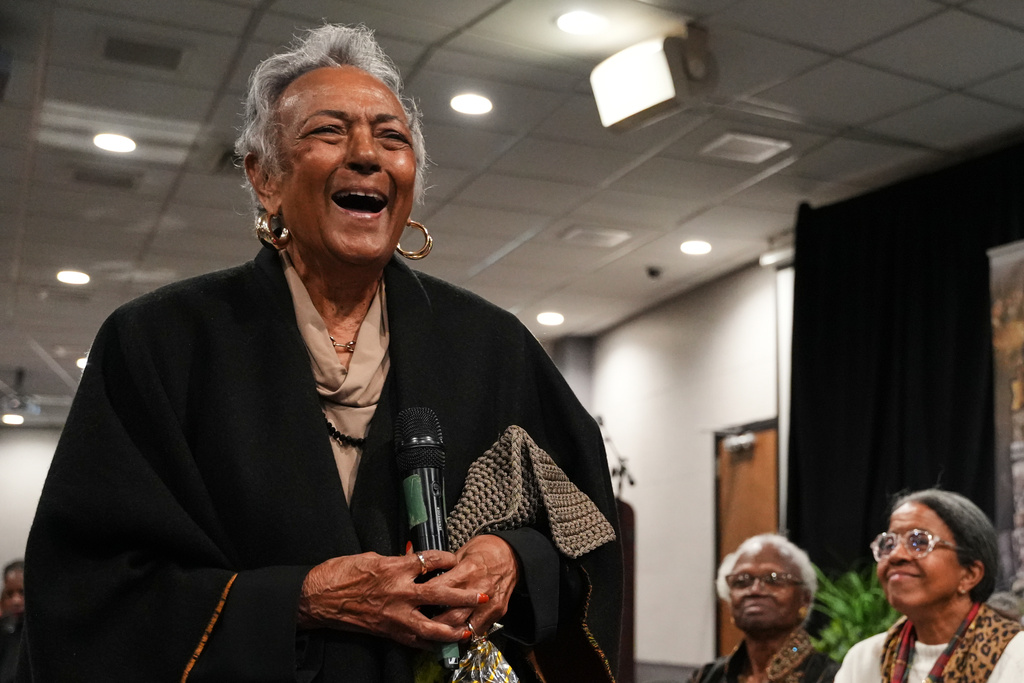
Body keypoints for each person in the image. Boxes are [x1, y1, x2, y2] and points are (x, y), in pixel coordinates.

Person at [18, 23, 621, 682]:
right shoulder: (160, 343)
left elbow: (580, 530)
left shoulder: (490, 344)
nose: (366, 154)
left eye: (391, 138)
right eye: (329, 132)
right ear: (264, 178)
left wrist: (510, 559)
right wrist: (301, 598)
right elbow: (86, 589)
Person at [835, 489, 1024, 683]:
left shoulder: (1016, 658)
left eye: (919, 542)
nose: (895, 555)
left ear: (970, 575)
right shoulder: (864, 660)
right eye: (888, 544)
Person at [690, 534, 838, 683]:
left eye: (773, 579)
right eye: (742, 580)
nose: (754, 590)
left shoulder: (831, 676)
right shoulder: (708, 677)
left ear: (804, 598)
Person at [0, 560, 23, 683]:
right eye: (9, 594)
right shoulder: (3, 629)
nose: (16, 601)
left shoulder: (44, 634)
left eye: (22, 592)